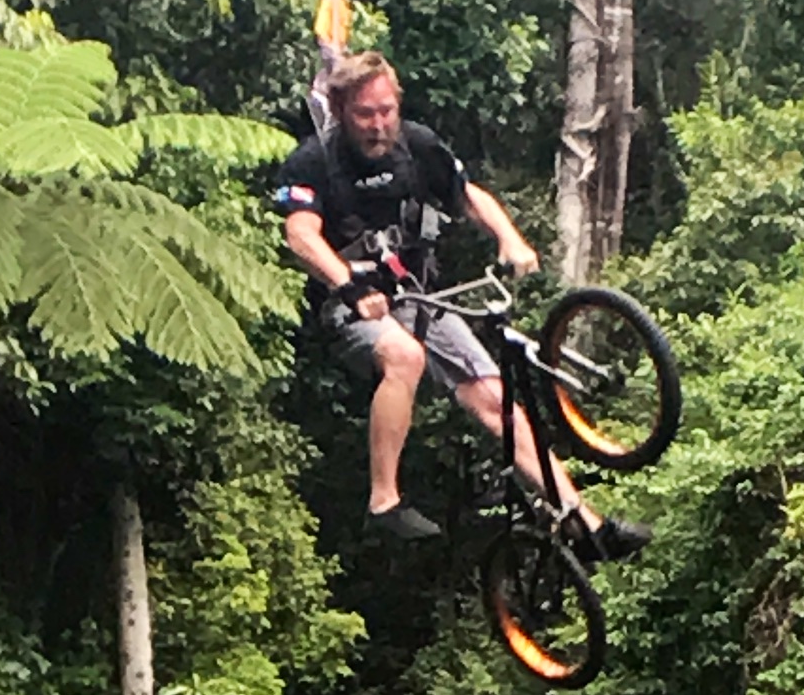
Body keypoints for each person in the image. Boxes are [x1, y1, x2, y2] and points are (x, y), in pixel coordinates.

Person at [274, 56, 645, 556]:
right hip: (354, 306)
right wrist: (349, 286)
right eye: (365, 114)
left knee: (498, 402)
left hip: (423, 298)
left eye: (386, 110)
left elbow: (470, 196)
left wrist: (509, 240)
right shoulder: (313, 161)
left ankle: (584, 525)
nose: (379, 124)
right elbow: (300, 235)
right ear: (340, 110)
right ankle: (384, 498)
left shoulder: (417, 145)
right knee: (405, 358)